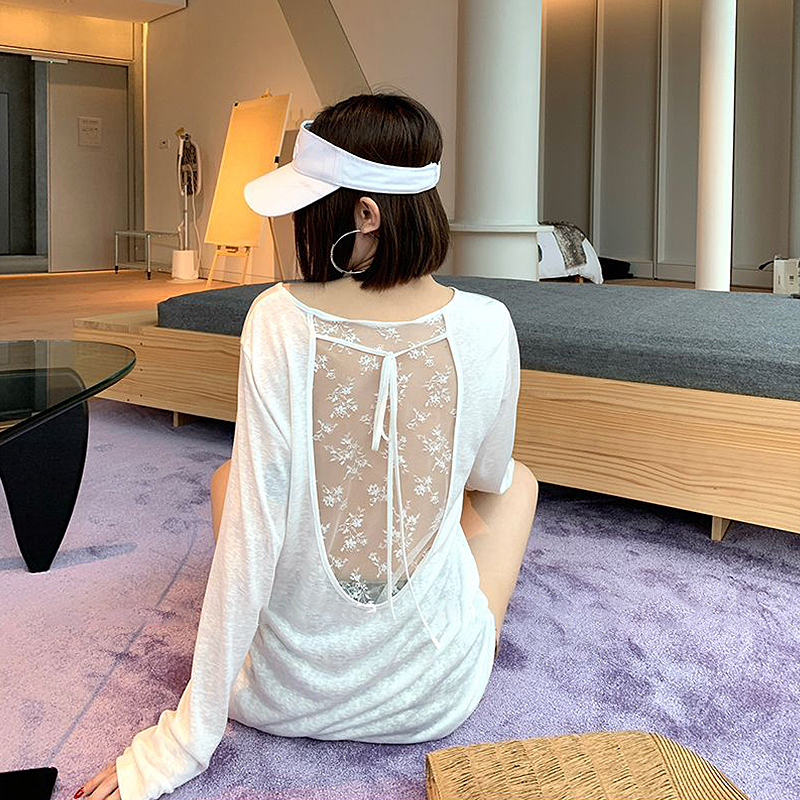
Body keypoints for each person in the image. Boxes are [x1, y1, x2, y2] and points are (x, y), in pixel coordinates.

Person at [77, 93, 538, 800]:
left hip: (279, 697)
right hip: (431, 699)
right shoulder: (489, 324)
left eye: (310, 204)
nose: (298, 224)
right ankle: (409, 631)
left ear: (365, 214)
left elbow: (252, 533)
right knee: (516, 483)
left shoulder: (277, 320)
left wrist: (181, 744)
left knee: (235, 481)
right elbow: (485, 473)